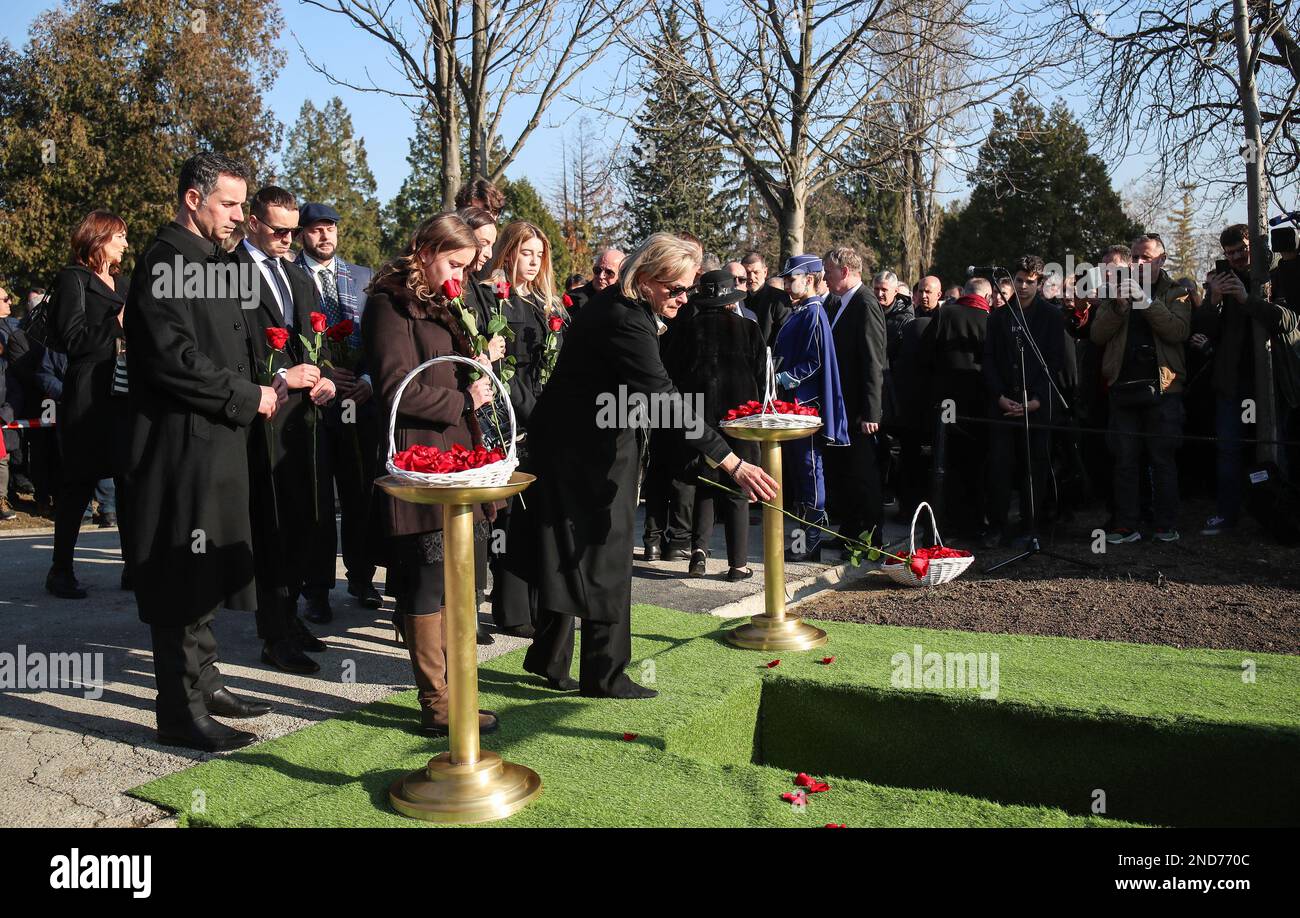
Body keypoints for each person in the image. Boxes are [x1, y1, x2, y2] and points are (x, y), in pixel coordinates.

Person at [509, 233, 777, 698]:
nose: (683, 298)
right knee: (606, 556)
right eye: (675, 289)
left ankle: (550, 660)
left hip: (578, 442)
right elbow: (664, 398)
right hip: (585, 451)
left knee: (572, 548)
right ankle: (605, 675)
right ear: (647, 278)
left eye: (688, 289)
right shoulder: (624, 319)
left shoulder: (619, 305)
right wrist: (730, 460)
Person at [123, 152, 282, 752]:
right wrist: (249, 395)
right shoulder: (163, 264)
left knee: (207, 564)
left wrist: (279, 379)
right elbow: (175, 362)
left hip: (219, 438)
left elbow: (236, 346)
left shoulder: (216, 263)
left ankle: (207, 683)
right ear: (194, 199)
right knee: (181, 574)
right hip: (179, 445)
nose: (242, 216)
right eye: (232, 204)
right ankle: (180, 710)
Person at [363, 213, 500, 737]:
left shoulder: (446, 303)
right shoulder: (388, 303)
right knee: (424, 581)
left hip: (458, 456)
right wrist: (462, 398)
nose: (460, 277)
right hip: (420, 457)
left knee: (459, 579)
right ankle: (436, 701)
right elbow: (397, 386)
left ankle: (461, 688)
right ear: (424, 251)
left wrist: (480, 363)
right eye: (454, 263)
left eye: (466, 268)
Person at [235, 186, 337, 673]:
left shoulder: (297, 275)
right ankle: (274, 634)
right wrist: (276, 379)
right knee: (272, 526)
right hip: (261, 419)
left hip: (304, 418)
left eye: (292, 231)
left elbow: (312, 343)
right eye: (277, 229)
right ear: (252, 221)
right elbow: (227, 353)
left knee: (305, 522)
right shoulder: (227, 273)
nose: (286, 238)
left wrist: (325, 379)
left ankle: (290, 616)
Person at [293, 201, 380, 618]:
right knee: (317, 500)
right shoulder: (290, 274)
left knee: (360, 492)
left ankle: (362, 579)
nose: (324, 236)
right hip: (312, 403)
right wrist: (321, 373)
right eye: (315, 230)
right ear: (301, 234)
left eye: (330, 228)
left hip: (359, 403)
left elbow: (379, 339)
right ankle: (316, 590)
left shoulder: (363, 277)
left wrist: (366, 381)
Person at [484, 220, 566, 640]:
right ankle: (510, 607)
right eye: (525, 252)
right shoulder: (494, 299)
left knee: (537, 514)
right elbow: (501, 372)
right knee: (509, 517)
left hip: (544, 419)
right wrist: (533, 414)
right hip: (511, 418)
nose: (532, 262)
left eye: (539, 254)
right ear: (508, 252)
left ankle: (534, 602)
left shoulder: (544, 302)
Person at [44, 211, 132, 599]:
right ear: (98, 239)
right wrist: (118, 322)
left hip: (126, 390)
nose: (125, 245)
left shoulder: (125, 283)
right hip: (87, 393)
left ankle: (135, 567)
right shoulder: (72, 279)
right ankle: (60, 570)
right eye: (119, 238)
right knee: (78, 483)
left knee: (131, 480)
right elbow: (73, 339)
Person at [662, 269, 766, 579]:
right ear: (731, 300)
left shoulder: (683, 329)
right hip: (740, 418)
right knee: (737, 488)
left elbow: (670, 374)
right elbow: (762, 376)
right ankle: (738, 564)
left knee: (703, 484)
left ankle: (699, 554)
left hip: (698, 418)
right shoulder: (749, 329)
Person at [1197, 223, 1300, 534]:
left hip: (1271, 380)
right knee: (1229, 448)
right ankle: (1228, 515)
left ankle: (1282, 517)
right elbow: (1203, 329)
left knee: (1273, 447)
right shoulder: (1221, 281)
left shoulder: (1278, 274)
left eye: (1242, 250)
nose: (1237, 258)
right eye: (1230, 254)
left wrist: (1247, 299)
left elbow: (1289, 320)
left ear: (1253, 246)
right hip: (1233, 382)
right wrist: (1213, 301)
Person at [1090, 234, 1191, 544]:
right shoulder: (1115, 292)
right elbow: (1096, 335)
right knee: (1125, 460)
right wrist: (1119, 306)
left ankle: (1164, 524)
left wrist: (1146, 302)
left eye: (1146, 257)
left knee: (1162, 459)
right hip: (1123, 387)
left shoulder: (1178, 293)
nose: (1139, 263)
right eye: (1135, 257)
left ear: (1161, 260)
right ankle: (1126, 524)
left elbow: (1178, 331)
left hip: (1163, 389)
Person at [982, 255, 1067, 547]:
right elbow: (989, 361)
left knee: (1034, 469)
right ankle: (997, 526)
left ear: (1040, 283)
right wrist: (999, 397)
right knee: (999, 468)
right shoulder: (998, 317)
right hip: (1003, 404)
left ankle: (1031, 526)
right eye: (1019, 280)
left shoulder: (1052, 316)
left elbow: (1056, 363)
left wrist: (1038, 400)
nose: (1023, 287)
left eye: (1030, 282)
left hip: (1037, 405)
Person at [772, 254, 850, 561]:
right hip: (791, 405)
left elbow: (815, 361)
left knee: (809, 471)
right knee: (799, 473)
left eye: (793, 278)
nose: (788, 284)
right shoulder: (801, 310)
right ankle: (803, 541)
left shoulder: (813, 312)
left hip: (805, 405)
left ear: (810, 279)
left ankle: (811, 541)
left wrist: (782, 377)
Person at [821, 247, 885, 554]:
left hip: (860, 410)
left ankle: (871, 537)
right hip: (842, 408)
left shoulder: (865, 303)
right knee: (845, 474)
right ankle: (849, 530)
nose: (824, 277)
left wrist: (871, 409)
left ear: (845, 271)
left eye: (828, 272)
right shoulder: (838, 303)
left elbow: (874, 359)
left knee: (863, 476)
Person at [922, 277, 993, 536]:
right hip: (979, 404)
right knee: (976, 465)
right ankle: (973, 522)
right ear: (987, 297)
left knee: (945, 463)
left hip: (945, 401)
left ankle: (942, 522)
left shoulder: (945, 314)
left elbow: (927, 354)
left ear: (964, 293)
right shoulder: (990, 320)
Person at [895, 275, 943, 519]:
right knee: (909, 458)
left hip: (933, 400)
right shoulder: (907, 320)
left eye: (929, 292)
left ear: (939, 294)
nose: (924, 296)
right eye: (921, 291)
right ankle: (907, 508)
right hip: (910, 400)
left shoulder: (944, 321)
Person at [743, 252, 792, 344]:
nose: (751, 277)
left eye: (756, 272)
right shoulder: (740, 299)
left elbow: (785, 335)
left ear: (765, 272)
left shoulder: (779, 299)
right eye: (747, 273)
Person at [566, 247, 624, 312]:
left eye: (609, 272)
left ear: (621, 276)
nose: (601, 276)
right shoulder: (571, 299)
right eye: (597, 270)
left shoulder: (627, 306)